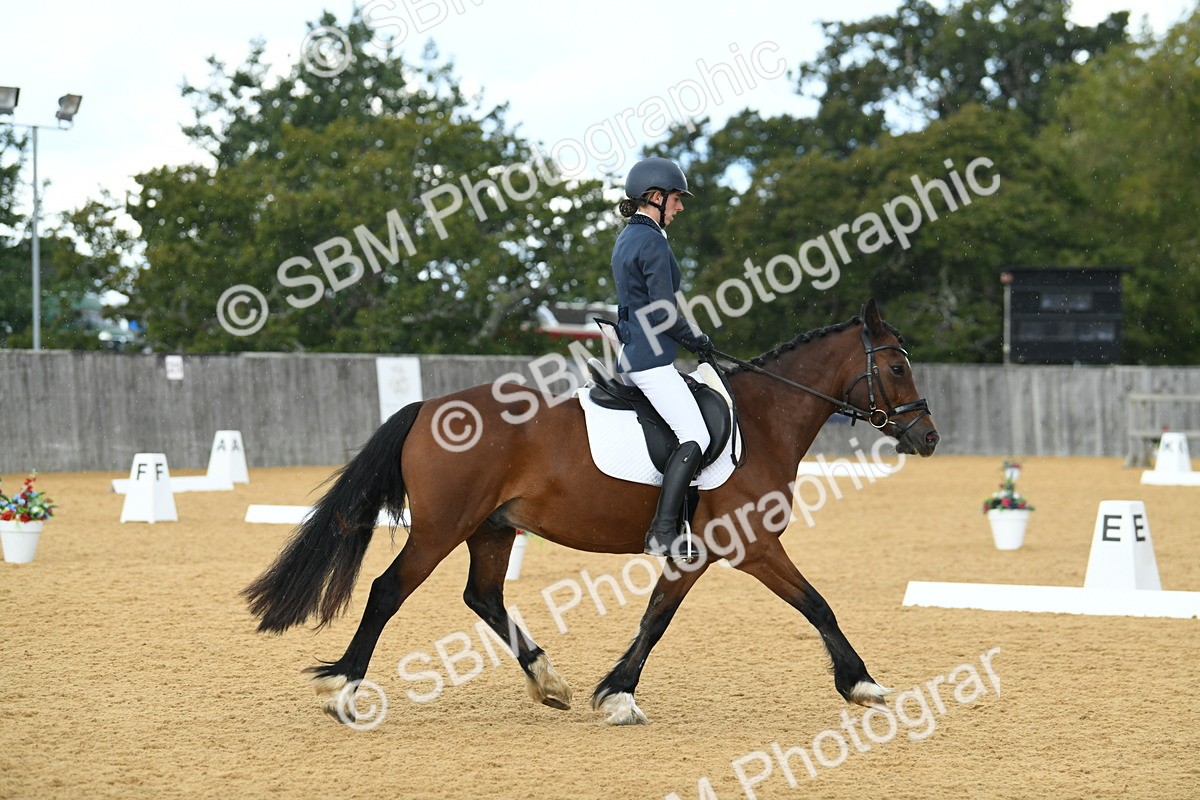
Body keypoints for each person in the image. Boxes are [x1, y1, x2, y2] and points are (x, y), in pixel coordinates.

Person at [611, 157, 714, 557]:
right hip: (650, 360)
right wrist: (697, 339)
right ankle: (664, 532)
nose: (680, 207)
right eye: (676, 199)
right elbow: (661, 311)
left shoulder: (627, 237)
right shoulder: (651, 239)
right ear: (655, 197)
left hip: (633, 353)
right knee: (697, 435)